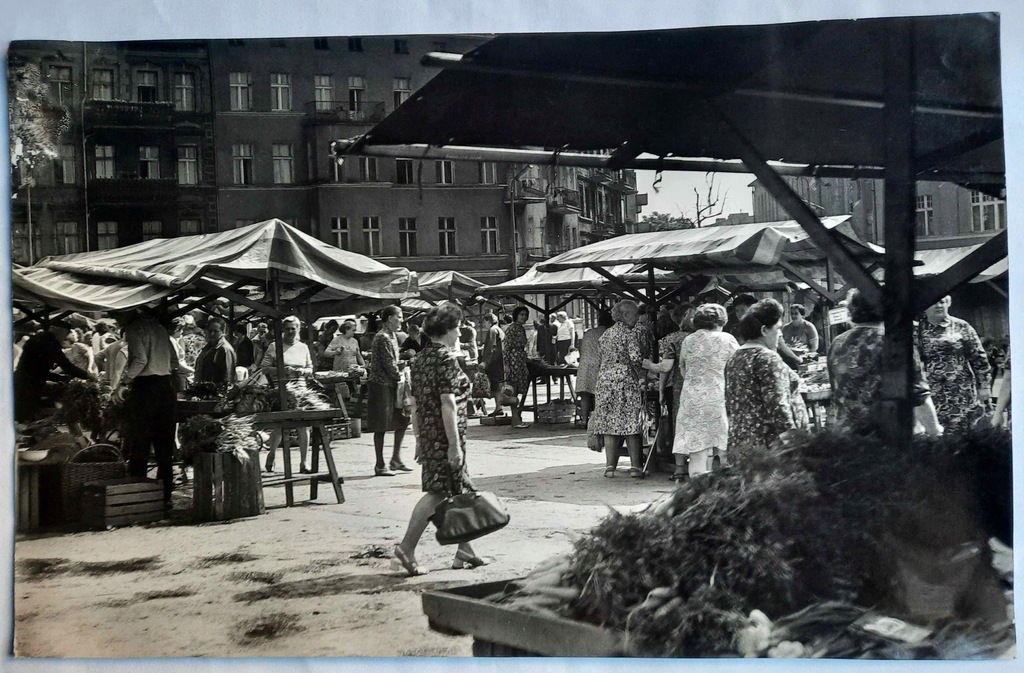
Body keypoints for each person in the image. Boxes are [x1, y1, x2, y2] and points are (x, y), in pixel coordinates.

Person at [393, 302, 491, 576]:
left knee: (459, 490)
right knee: (436, 493)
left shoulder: (421, 359)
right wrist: (454, 445)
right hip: (446, 436)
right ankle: (406, 549)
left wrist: (418, 438)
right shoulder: (446, 358)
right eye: (458, 327)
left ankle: (465, 549)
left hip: (430, 433)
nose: (460, 333)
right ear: (448, 329)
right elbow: (447, 403)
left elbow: (416, 403)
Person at [827, 288, 943, 435]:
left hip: (847, 435)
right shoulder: (893, 341)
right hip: (889, 437)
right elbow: (917, 394)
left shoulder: (837, 343)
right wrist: (935, 430)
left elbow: (836, 390)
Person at [645, 304, 738, 480]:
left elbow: (683, 370)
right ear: (722, 320)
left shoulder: (689, 340)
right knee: (724, 447)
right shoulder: (728, 339)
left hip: (692, 398)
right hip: (719, 396)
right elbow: (737, 367)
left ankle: (696, 485)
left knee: (697, 450)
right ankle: (726, 486)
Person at [111, 310, 181, 506]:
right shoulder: (159, 328)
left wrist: (124, 383)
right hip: (166, 387)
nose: (116, 318)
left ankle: (138, 495)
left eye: (116, 315)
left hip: (146, 388)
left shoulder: (133, 328)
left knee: (140, 441)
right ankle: (165, 495)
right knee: (164, 444)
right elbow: (175, 361)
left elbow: (140, 360)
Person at [724, 298, 809, 452]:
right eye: (778, 328)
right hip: (770, 448)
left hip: (742, 443)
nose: (780, 333)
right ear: (764, 330)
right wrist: (795, 446)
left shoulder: (735, 357)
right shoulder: (768, 358)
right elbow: (778, 406)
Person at [916, 295, 992, 434]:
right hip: (931, 393)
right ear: (924, 307)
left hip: (961, 391)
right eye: (934, 303)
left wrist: (984, 386)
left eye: (942, 301)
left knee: (963, 431)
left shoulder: (961, 326)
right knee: (934, 433)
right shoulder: (916, 330)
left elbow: (978, 357)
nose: (939, 305)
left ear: (949, 303)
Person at [590, 300, 646, 479]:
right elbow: (636, 359)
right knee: (631, 424)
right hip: (625, 382)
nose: (637, 319)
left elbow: (601, 358)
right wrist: (645, 374)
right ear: (625, 315)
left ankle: (610, 468)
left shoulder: (606, 335)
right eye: (635, 315)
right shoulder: (629, 335)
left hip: (605, 382)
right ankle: (635, 467)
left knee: (610, 425)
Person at [260, 316, 314, 473]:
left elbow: (310, 369)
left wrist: (302, 371)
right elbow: (264, 368)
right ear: (283, 330)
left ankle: (304, 462)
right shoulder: (275, 346)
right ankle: (271, 455)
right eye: (287, 328)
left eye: (293, 328)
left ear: (298, 329)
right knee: (280, 426)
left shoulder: (303, 347)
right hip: (280, 389)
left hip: (301, 389)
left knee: (303, 426)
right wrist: (282, 370)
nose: (290, 331)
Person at [14, 328, 97, 423]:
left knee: (21, 417)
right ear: (60, 332)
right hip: (28, 385)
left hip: (22, 381)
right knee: (24, 417)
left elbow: (38, 370)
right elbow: (66, 366)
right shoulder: (51, 344)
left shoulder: (35, 340)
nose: (64, 339)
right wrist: (87, 375)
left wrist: (61, 378)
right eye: (65, 335)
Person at [366, 305, 410, 476]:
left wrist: (402, 366)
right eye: (399, 317)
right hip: (381, 385)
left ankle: (396, 459)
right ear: (390, 318)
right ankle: (380, 464)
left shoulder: (392, 336)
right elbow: (388, 364)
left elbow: (393, 362)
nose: (401, 320)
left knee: (403, 420)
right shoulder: (382, 337)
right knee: (381, 425)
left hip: (392, 384)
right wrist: (401, 376)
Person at [576, 310, 614, 427]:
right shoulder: (609, 332)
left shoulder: (589, 332)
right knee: (600, 393)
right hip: (600, 365)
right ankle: (599, 420)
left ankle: (584, 420)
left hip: (585, 364)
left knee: (585, 393)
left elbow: (581, 348)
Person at [504, 307, 531, 427]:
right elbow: (506, 348)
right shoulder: (512, 329)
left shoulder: (521, 329)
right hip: (513, 360)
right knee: (513, 390)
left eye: (525, 315)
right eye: (521, 314)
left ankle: (517, 417)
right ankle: (515, 419)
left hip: (520, 360)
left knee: (519, 388)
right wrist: (507, 365)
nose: (524, 317)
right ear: (516, 315)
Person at [193, 316, 238, 388]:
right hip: (204, 391)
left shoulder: (225, 349)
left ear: (223, 332)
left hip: (217, 393)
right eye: (210, 330)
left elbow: (228, 376)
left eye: (215, 331)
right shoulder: (208, 347)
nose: (212, 334)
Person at [480, 312, 506, 417]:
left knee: (495, 385)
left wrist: (485, 362)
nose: (484, 324)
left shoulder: (492, 330)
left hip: (494, 362)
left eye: (485, 321)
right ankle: (499, 406)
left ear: (488, 321)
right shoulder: (499, 329)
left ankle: (498, 407)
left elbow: (491, 347)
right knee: (497, 385)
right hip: (500, 361)